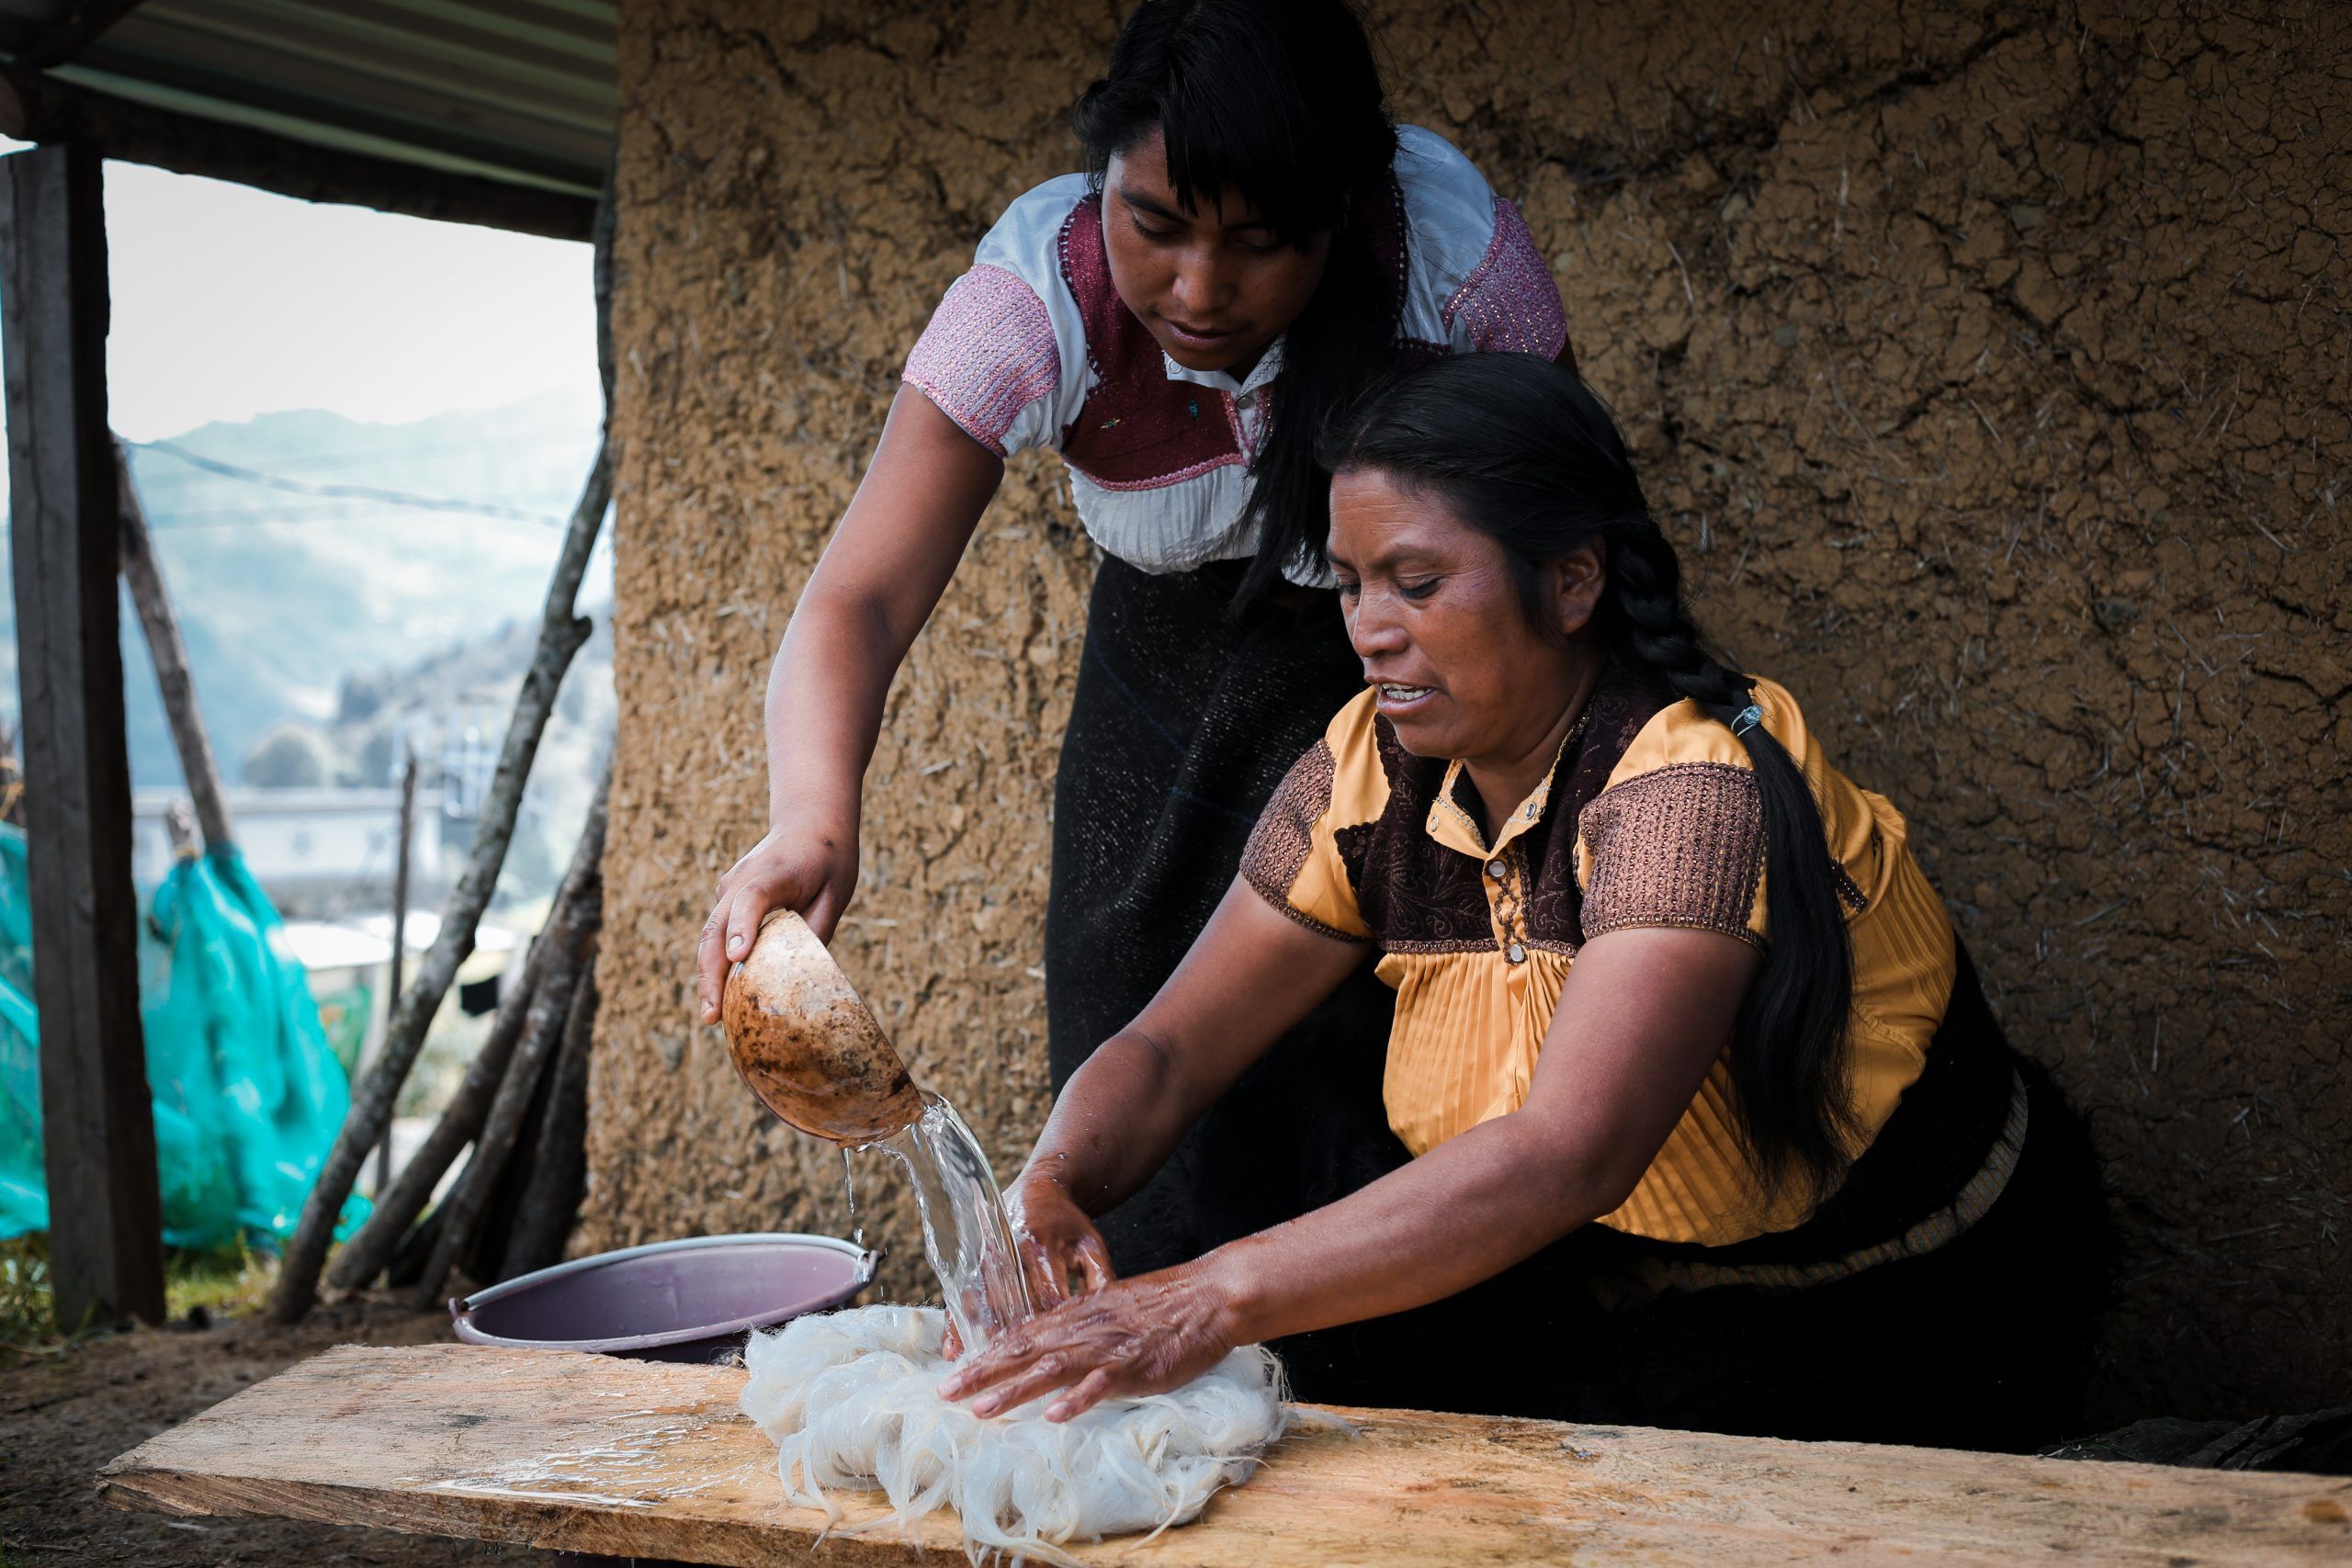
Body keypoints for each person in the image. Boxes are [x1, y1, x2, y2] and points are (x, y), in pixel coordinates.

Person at [936, 354, 2109, 1451]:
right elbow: (1170, 1049)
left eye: (1419, 581)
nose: (1370, 631)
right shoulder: (1366, 772)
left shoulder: (1686, 787)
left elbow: (1565, 1155)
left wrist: (1201, 1300)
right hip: (1632, 1287)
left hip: (1914, 1296)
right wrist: (1052, 1183)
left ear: (1570, 580)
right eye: (1350, 584)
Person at [696, 0, 1572, 1280]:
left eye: (1261, 243)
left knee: (1413, 1061)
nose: (1199, 290)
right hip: (1157, 690)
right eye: (1153, 225)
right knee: (1145, 1054)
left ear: (1342, 210)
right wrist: (814, 818)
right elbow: (861, 599)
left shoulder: (1448, 258)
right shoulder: (1037, 295)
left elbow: (1561, 535)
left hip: (1410, 685)